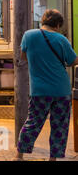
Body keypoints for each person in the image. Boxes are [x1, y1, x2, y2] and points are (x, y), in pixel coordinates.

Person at [14, 9, 78, 161]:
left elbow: (23, 57)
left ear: (43, 21)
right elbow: (73, 61)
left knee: (32, 123)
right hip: (61, 90)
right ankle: (53, 159)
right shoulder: (61, 39)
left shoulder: (29, 35)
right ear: (57, 24)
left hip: (39, 90)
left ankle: (19, 156)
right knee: (59, 126)